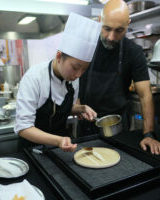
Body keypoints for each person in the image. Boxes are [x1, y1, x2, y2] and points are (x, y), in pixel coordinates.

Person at [78, 0, 160, 155]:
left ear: (128, 24)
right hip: (86, 122)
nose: (111, 37)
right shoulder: (84, 45)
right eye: (107, 29)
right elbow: (69, 80)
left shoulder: (134, 52)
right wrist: (77, 106)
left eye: (119, 30)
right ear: (100, 21)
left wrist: (149, 134)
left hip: (117, 125)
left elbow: (145, 95)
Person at [14, 13, 101, 152]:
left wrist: (82, 108)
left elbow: (62, 108)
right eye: (75, 67)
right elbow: (23, 128)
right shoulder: (34, 78)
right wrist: (58, 140)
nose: (78, 74)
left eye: (84, 69)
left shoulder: (74, 79)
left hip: (59, 150)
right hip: (32, 150)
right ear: (59, 56)